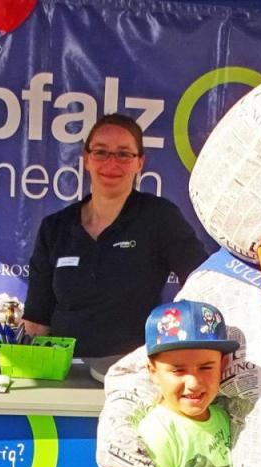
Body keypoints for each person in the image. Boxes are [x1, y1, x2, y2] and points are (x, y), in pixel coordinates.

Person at [22, 114, 207, 357]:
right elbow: (37, 319)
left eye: (123, 154)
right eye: (100, 152)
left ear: (139, 162)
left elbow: (201, 280)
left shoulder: (159, 217)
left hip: (134, 372)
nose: (111, 163)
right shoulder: (55, 227)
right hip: (66, 372)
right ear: (86, 159)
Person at [130, 300, 240, 467]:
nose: (194, 382)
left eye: (206, 367)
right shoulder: (159, 432)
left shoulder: (222, 417)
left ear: (223, 366)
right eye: (178, 370)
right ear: (153, 372)